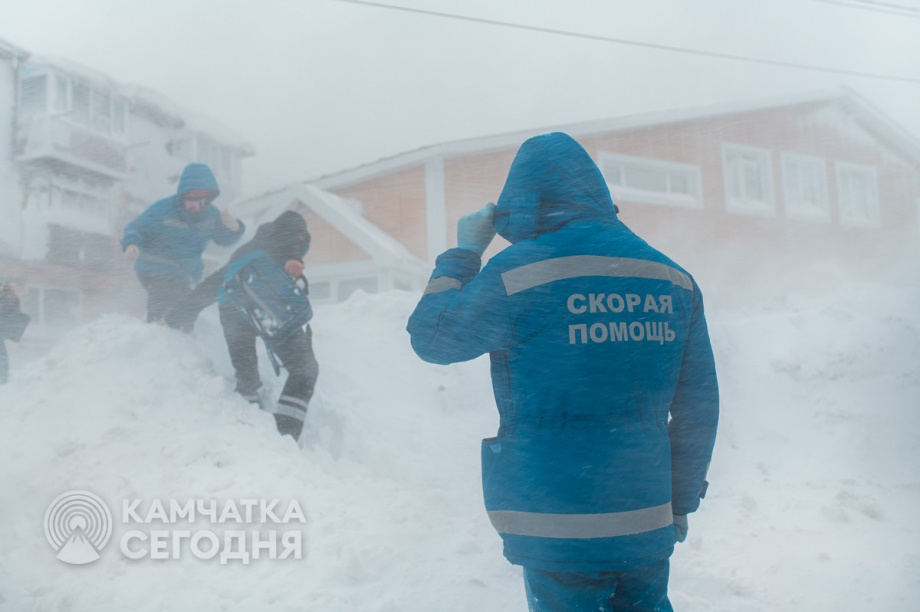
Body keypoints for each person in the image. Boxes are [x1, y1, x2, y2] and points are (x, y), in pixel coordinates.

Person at [406, 132, 719, 612]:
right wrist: (679, 502)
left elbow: (434, 338)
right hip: (645, 514)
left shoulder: (520, 274)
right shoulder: (672, 279)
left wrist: (463, 254)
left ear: (522, 200)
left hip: (557, 523)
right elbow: (698, 405)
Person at [214, 210, 319, 441]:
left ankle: (247, 423)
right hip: (261, 302)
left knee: (247, 378)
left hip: (230, 307)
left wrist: (179, 312)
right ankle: (284, 436)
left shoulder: (246, 251)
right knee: (305, 369)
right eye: (300, 236)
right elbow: (289, 228)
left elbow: (214, 282)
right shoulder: (280, 237)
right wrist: (293, 256)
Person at [121, 162, 245, 323]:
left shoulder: (211, 216)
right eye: (188, 201)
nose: (192, 207)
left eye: (197, 202)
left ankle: (171, 332)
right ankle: (157, 327)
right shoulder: (163, 209)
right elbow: (137, 227)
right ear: (182, 196)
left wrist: (235, 228)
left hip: (182, 274)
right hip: (153, 267)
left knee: (187, 305)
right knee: (172, 297)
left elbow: (224, 240)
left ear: (206, 199)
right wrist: (131, 243)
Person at [0, 283, 29, 385]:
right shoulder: (10, 299)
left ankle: (3, 379)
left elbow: (12, 312)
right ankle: (3, 378)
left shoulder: (9, 299)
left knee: (2, 356)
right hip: (4, 328)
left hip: (3, 328)